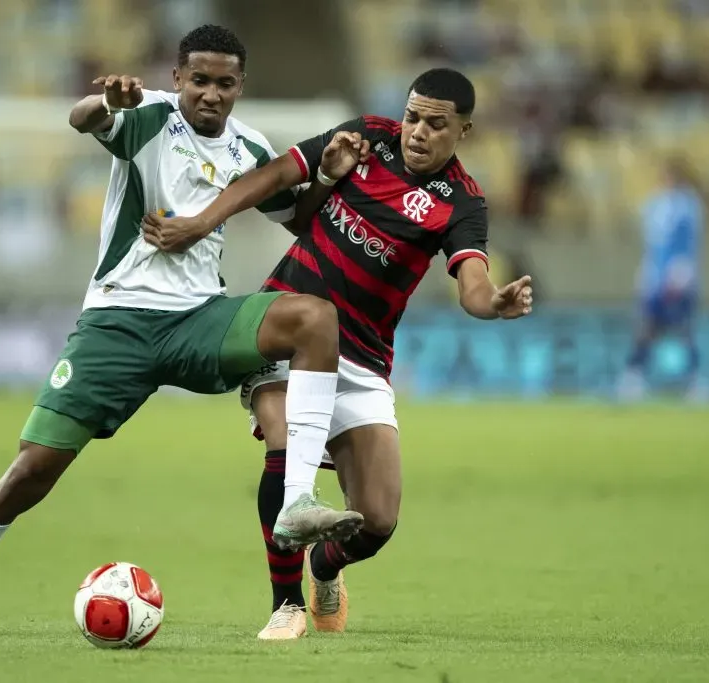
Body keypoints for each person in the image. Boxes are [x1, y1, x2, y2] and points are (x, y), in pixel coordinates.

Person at [0, 24, 362, 636]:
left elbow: (297, 218)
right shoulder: (148, 117)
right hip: (118, 323)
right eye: (198, 80)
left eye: (224, 83)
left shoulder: (250, 147)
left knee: (313, 317)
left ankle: (297, 501)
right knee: (29, 472)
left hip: (201, 319)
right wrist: (106, 103)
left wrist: (324, 179)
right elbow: (83, 118)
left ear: (240, 86)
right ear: (177, 79)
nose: (210, 94)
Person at [142, 68, 534, 640]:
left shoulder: (462, 203)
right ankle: (286, 603)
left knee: (377, 520)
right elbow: (275, 175)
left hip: (361, 360)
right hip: (286, 326)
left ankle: (326, 568)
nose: (417, 132)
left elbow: (472, 282)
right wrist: (202, 223)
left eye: (435, 123)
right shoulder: (365, 137)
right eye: (412, 116)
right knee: (283, 437)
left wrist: (492, 303)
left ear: (464, 131)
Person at [618, 157, 706, 402]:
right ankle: (634, 376)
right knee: (646, 327)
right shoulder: (654, 204)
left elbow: (689, 242)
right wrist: (645, 272)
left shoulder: (688, 205)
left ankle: (695, 380)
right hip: (654, 278)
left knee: (684, 329)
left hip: (679, 276)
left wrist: (682, 272)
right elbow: (650, 244)